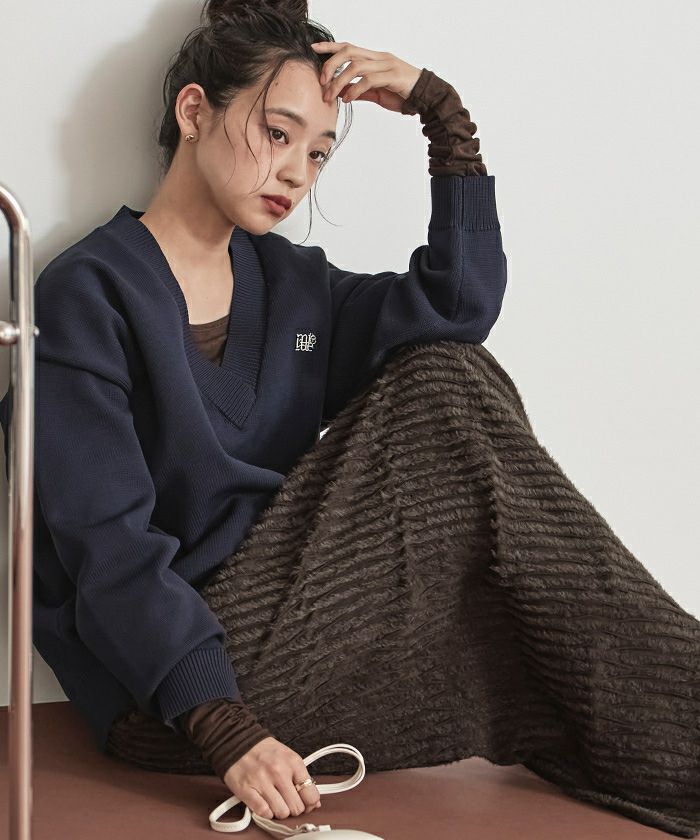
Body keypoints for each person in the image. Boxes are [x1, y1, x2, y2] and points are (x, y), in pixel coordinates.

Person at [2, 1, 698, 837]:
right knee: (447, 400)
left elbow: (457, 311)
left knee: (447, 376)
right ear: (193, 111)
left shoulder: (294, 287)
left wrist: (445, 118)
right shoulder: (88, 294)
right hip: (176, 699)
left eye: (319, 153)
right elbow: (106, 547)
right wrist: (224, 727)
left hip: (298, 626)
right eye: (278, 133)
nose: (297, 173)